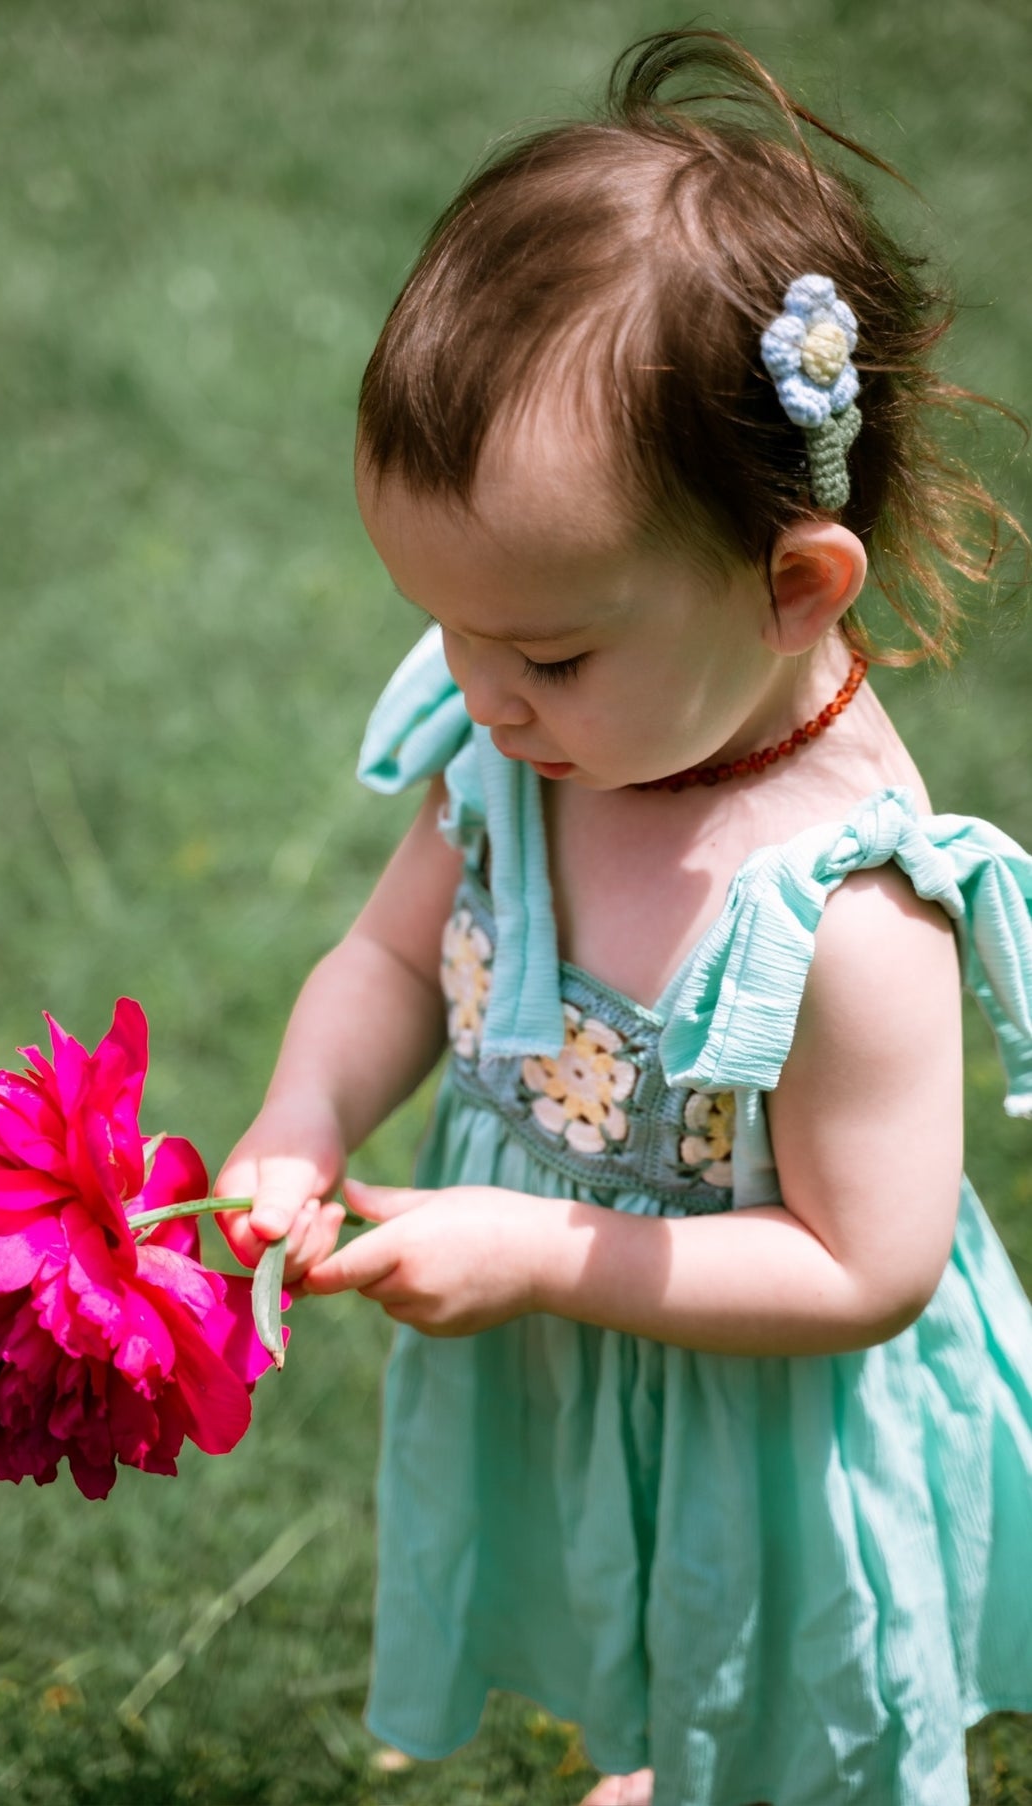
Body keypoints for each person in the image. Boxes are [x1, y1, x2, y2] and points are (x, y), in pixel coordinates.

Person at [214, 28, 1031, 1806]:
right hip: (601, 1387)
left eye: (545, 649)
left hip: (769, 1425)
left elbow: (862, 1268)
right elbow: (383, 962)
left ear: (790, 583)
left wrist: (540, 1258)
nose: (481, 692)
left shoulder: (843, 915)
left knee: (798, 1703)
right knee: (641, 1622)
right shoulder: (533, 747)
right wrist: (300, 1114)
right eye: (447, 629)